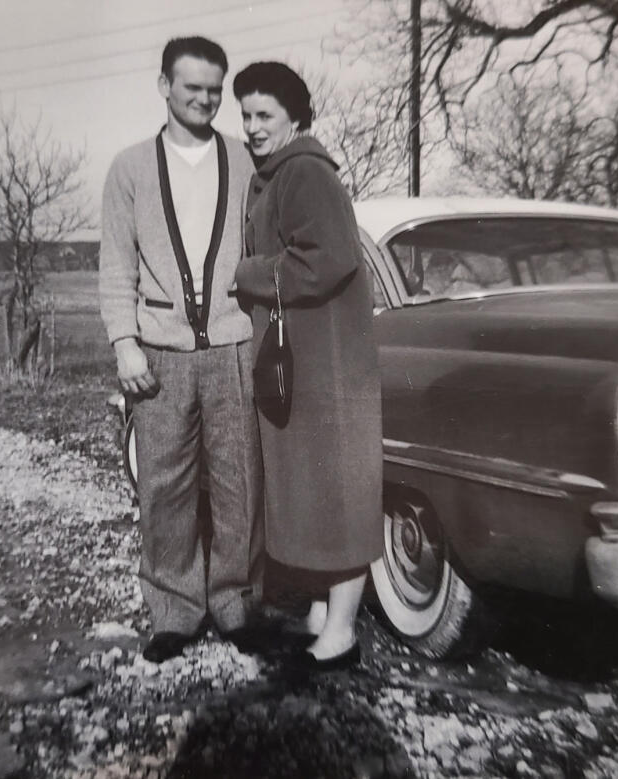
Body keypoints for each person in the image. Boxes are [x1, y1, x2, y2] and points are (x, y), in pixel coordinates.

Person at [99, 37, 264, 664]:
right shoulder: (130, 168)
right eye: (191, 86)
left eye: (214, 88)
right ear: (164, 85)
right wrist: (125, 344)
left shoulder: (246, 162)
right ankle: (174, 610)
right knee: (163, 487)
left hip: (234, 346)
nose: (204, 98)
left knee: (239, 483)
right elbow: (116, 266)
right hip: (159, 355)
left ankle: (236, 603)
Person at [232, 62, 383, 670]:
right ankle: (325, 615)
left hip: (330, 365)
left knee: (339, 496)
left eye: (264, 115)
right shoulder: (274, 175)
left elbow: (329, 259)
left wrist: (247, 276)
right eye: (245, 115)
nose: (252, 127)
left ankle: (341, 631)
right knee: (318, 493)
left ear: (296, 118)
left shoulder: (305, 173)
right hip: (307, 358)